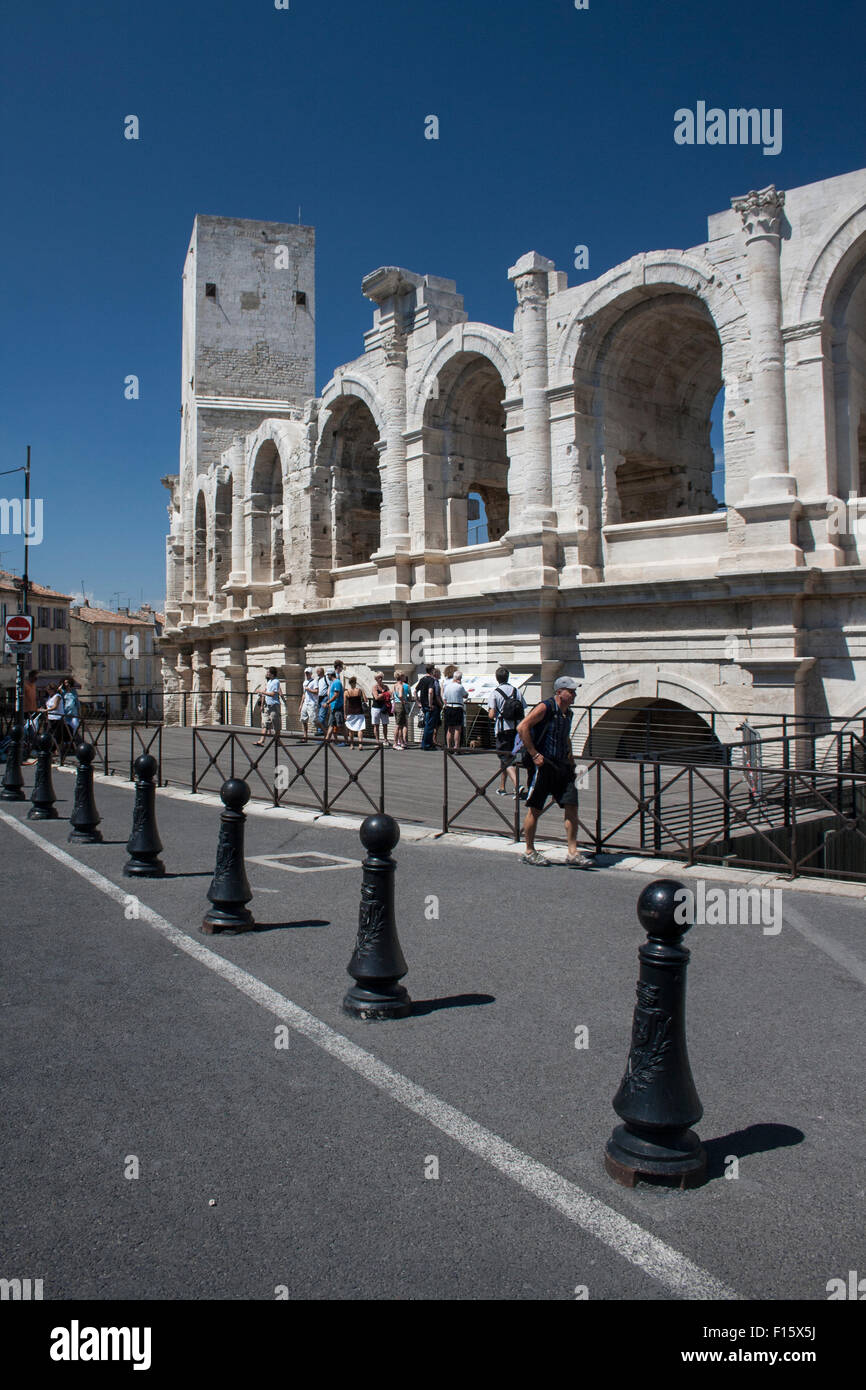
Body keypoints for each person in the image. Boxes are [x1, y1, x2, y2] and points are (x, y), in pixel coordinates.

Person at [515, 676, 593, 868]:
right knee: (536, 808)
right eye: (571, 691)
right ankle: (529, 850)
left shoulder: (569, 713)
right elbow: (522, 727)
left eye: (574, 691)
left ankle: (573, 853)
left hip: (563, 765)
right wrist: (534, 754)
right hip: (544, 765)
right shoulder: (545, 707)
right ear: (559, 692)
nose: (574, 694)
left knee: (571, 805)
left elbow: (565, 737)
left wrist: (572, 760)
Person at [488, 666, 526, 797]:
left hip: (502, 729)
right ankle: (502, 787)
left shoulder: (495, 693)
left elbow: (492, 715)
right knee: (507, 758)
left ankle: (517, 785)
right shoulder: (516, 691)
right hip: (516, 729)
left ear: (497, 678)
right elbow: (523, 708)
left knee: (505, 758)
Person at [254, 668, 284, 744]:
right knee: (264, 723)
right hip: (267, 706)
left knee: (276, 724)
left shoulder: (276, 682)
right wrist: (262, 702)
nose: (267, 673)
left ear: (272, 674)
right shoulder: (269, 681)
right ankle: (261, 740)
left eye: (268, 672)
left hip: (274, 705)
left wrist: (261, 691)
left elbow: (273, 694)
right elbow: (265, 692)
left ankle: (278, 740)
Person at [414, 663, 440, 750]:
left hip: (423, 705)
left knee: (427, 724)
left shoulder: (422, 679)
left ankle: (425, 743)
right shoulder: (431, 680)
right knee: (429, 726)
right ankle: (426, 745)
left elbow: (415, 691)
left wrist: (418, 702)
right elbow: (430, 692)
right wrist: (430, 704)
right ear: (432, 670)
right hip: (430, 706)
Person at [442, 669, 468, 751]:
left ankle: (449, 747)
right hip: (457, 707)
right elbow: (466, 695)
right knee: (457, 729)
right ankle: (456, 747)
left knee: (449, 729)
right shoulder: (460, 687)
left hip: (448, 707)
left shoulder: (447, 687)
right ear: (459, 678)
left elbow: (444, 699)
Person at [343, 676, 367, 748]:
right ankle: (360, 744)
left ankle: (352, 744)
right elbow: (366, 700)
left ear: (349, 683)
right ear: (355, 683)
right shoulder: (359, 690)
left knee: (351, 729)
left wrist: (345, 713)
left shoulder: (346, 692)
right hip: (359, 711)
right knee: (360, 729)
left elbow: (345, 704)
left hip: (350, 711)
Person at [324, 668, 346, 744]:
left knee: (341, 725)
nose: (327, 677)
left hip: (338, 707)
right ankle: (326, 740)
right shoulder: (333, 682)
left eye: (328, 675)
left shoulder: (336, 682)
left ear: (330, 675)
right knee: (331, 725)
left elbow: (336, 695)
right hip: (333, 708)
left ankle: (347, 741)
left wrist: (328, 702)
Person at [369, 672, 391, 747]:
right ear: (376, 679)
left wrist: (381, 695)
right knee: (376, 725)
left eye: (381, 677)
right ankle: (377, 741)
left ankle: (385, 739)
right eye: (379, 677)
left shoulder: (386, 686)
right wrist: (385, 694)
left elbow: (390, 694)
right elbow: (376, 697)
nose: (380, 679)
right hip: (376, 708)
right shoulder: (374, 687)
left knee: (385, 724)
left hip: (384, 707)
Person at [391, 670, 411, 750]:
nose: (404, 677)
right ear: (401, 677)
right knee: (399, 725)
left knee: (400, 724)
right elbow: (400, 695)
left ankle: (400, 742)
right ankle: (395, 743)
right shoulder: (401, 686)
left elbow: (392, 695)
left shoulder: (395, 685)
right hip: (400, 705)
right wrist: (403, 701)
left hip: (396, 705)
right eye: (403, 676)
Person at [299, 668, 319, 742]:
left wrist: (309, 689)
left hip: (312, 703)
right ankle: (305, 736)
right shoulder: (304, 682)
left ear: (311, 674)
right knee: (303, 720)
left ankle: (326, 734)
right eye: (306, 673)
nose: (307, 674)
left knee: (314, 721)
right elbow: (304, 694)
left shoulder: (314, 681)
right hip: (305, 703)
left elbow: (317, 691)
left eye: (308, 673)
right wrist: (301, 704)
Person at [44, 683, 64, 759]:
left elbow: (55, 706)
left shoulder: (57, 696)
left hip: (57, 718)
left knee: (57, 735)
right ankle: (51, 750)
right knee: (49, 734)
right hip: (50, 718)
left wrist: (46, 710)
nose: (48, 692)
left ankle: (58, 751)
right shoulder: (50, 697)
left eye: (49, 690)